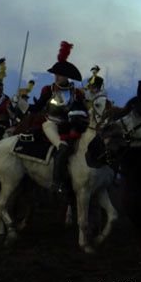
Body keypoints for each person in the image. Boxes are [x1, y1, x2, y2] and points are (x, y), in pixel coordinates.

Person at [30, 41, 88, 195]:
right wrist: (21, 106)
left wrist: (78, 122)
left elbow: (83, 110)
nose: (56, 77)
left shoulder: (76, 93)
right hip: (51, 125)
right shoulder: (49, 90)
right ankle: (56, 182)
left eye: (60, 74)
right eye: (56, 74)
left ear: (67, 76)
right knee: (62, 147)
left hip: (69, 126)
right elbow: (36, 108)